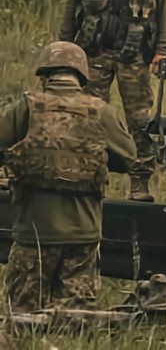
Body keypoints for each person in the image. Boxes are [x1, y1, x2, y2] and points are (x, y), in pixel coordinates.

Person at [0, 41, 137, 312]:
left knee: (20, 321)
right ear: (81, 75)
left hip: (33, 235)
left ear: (45, 75)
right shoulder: (100, 112)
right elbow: (129, 157)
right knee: (73, 323)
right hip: (82, 237)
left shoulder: (27, 107)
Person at [58, 0, 166, 202]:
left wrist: (163, 49)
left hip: (133, 55)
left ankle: (140, 182)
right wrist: (64, 50)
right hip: (93, 54)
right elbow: (72, 7)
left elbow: (164, 11)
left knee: (140, 120)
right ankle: (90, 178)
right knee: (87, 115)